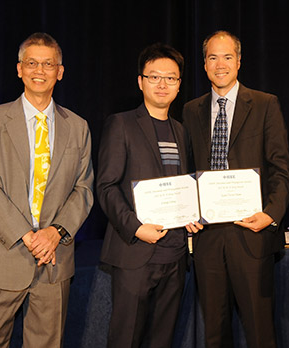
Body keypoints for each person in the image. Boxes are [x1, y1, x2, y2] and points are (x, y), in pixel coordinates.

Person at [0, 32, 94, 347]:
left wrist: (54, 233)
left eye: (48, 64)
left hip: (54, 260)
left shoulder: (78, 127)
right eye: (32, 63)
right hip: (1, 256)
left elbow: (84, 188)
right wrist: (27, 235)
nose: (40, 70)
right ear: (19, 69)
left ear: (59, 72)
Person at [182, 30, 289, 348]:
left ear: (239, 62)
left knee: (260, 332)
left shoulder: (264, 104)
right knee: (214, 334)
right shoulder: (191, 110)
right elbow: (187, 171)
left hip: (252, 234)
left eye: (227, 56)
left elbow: (282, 170)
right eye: (213, 57)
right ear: (204, 65)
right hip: (207, 238)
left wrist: (270, 215)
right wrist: (186, 210)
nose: (220, 64)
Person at [97, 43, 196, 348]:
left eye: (171, 78)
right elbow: (106, 186)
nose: (162, 84)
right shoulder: (121, 124)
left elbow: (184, 186)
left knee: (162, 340)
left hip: (176, 255)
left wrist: (193, 213)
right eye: (154, 77)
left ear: (179, 86)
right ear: (140, 81)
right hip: (136, 254)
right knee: (126, 339)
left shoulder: (181, 130)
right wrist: (136, 227)